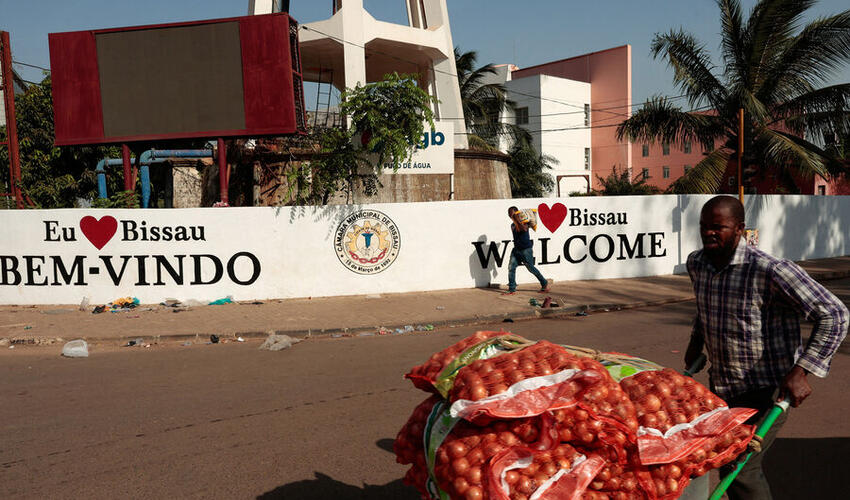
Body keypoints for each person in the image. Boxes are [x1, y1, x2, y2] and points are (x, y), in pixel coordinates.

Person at [684, 195, 848, 500]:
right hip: (723, 388)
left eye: (718, 227)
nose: (709, 233)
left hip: (767, 391)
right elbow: (705, 307)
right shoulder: (697, 264)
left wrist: (803, 370)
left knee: (740, 468)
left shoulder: (770, 270)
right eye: (704, 226)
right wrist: (696, 343)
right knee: (725, 462)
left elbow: (835, 313)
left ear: (739, 229)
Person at [504, 206, 550, 295]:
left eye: (511, 213)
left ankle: (544, 283)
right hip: (516, 249)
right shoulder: (512, 225)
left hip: (526, 249)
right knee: (511, 268)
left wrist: (518, 219)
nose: (509, 215)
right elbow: (517, 229)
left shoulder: (525, 222)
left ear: (516, 213)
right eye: (508, 213)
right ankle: (511, 289)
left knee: (531, 268)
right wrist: (516, 220)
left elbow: (524, 229)